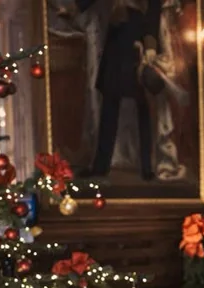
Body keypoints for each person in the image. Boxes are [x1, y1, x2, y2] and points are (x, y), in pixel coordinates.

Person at [57, 0, 162, 180]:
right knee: (109, 108)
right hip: (117, 41)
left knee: (142, 108)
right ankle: (100, 167)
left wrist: (150, 46)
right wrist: (73, 9)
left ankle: (147, 168)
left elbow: (153, 11)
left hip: (138, 44)